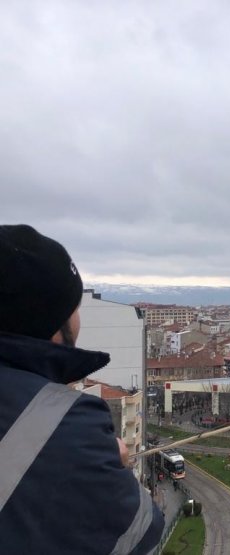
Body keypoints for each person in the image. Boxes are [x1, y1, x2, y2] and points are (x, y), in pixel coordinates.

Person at [0, 225, 164, 554]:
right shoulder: (62, 420)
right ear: (52, 319)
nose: (78, 319)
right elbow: (141, 533)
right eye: (74, 308)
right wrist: (112, 466)